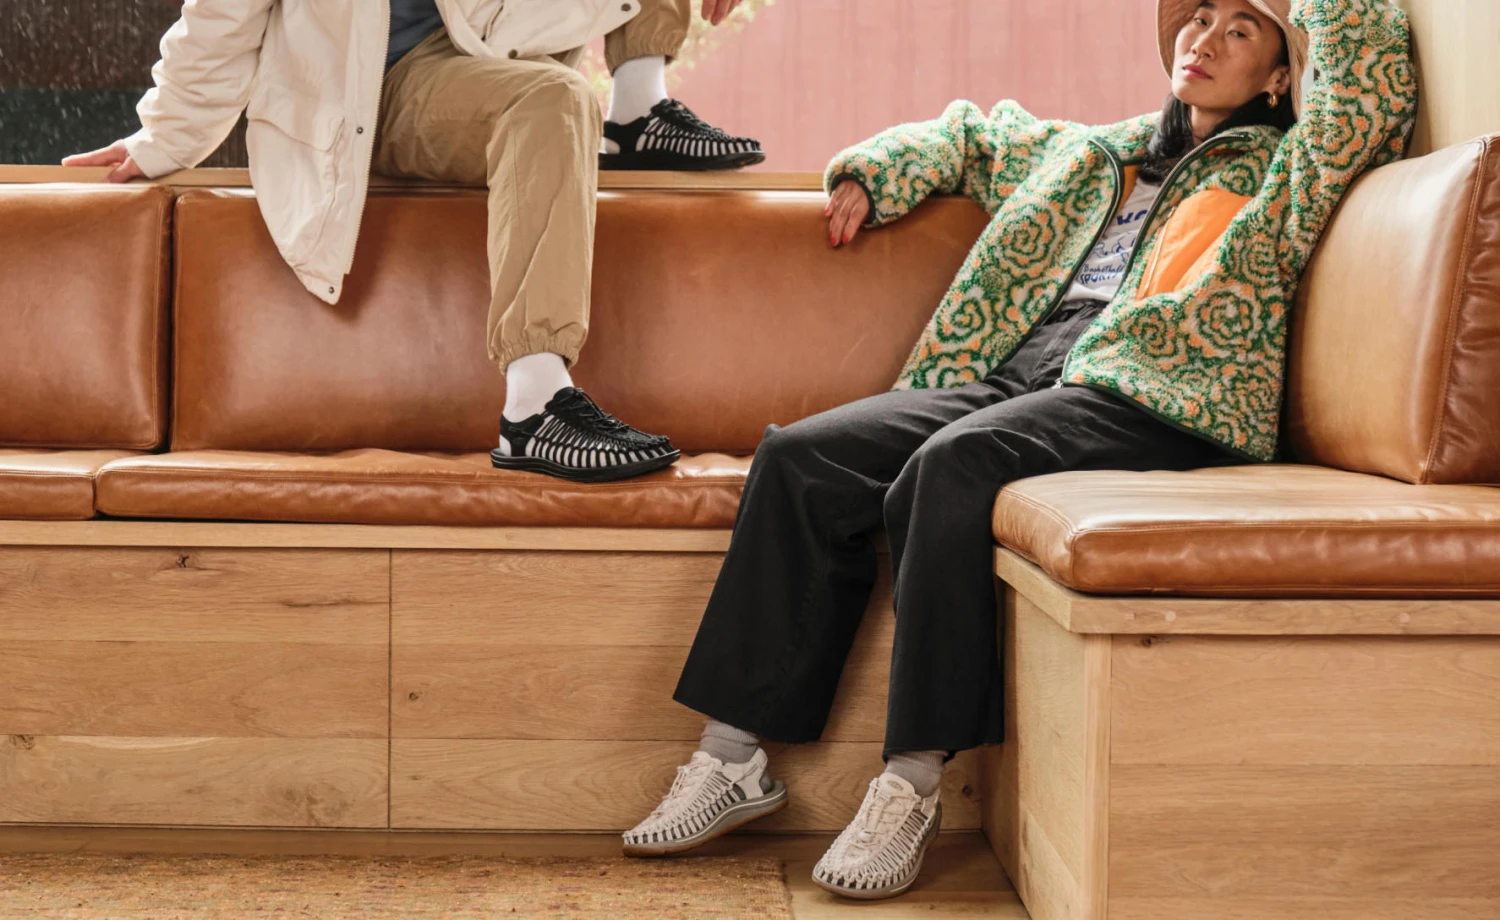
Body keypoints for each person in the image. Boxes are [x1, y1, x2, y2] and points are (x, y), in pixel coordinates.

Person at [623, 0, 1416, 900]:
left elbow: (1369, 91)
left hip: (1154, 394)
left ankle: (911, 784)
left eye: (1242, 29)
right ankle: (733, 758)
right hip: (1017, 376)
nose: (1205, 38)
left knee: (951, 466)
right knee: (801, 458)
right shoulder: (1096, 153)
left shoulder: (1287, 168)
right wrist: (878, 173)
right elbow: (974, 136)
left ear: (1278, 76)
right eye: (1199, 17)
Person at [62, 0, 764, 483]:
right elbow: (221, 16)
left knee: (553, 93)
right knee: (554, 99)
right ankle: (535, 405)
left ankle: (639, 104)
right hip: (379, 92)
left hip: (493, 45)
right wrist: (162, 137)